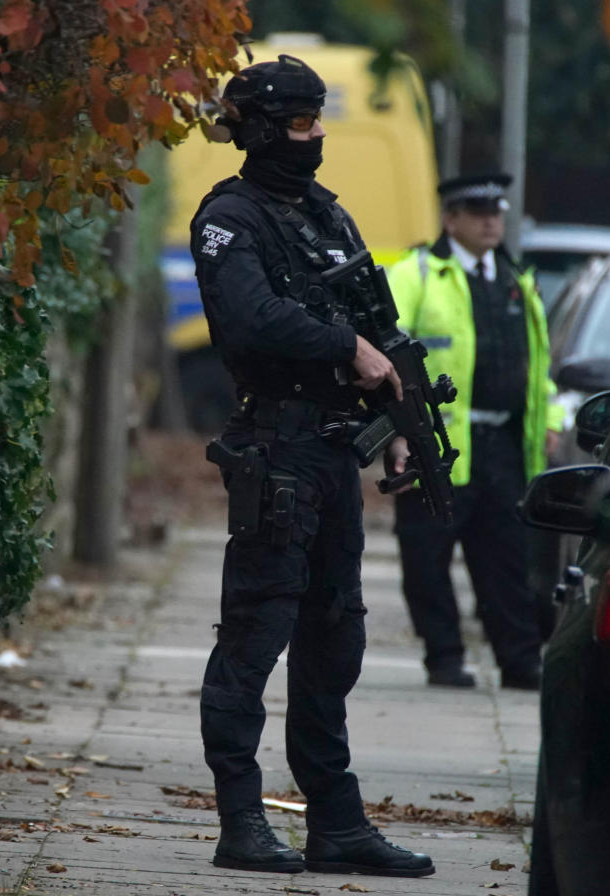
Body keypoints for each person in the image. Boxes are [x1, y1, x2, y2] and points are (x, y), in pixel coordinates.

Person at [190, 54, 434, 878]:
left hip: (333, 456)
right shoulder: (230, 218)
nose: (318, 136)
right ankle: (241, 820)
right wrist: (347, 348)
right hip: (277, 452)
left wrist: (396, 425)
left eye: (318, 121)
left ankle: (336, 822)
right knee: (256, 636)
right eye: (302, 124)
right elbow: (253, 319)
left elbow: (381, 327)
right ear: (260, 130)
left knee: (336, 642)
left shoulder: (329, 216)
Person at [386, 172, 562, 690]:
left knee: (508, 559)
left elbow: (540, 367)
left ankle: (520, 660)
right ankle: (444, 656)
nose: (491, 222)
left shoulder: (516, 280)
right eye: (478, 212)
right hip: (433, 444)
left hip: (504, 444)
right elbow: (385, 353)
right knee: (426, 556)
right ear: (452, 219)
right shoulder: (418, 274)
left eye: (497, 212)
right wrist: (398, 431)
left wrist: (549, 423)